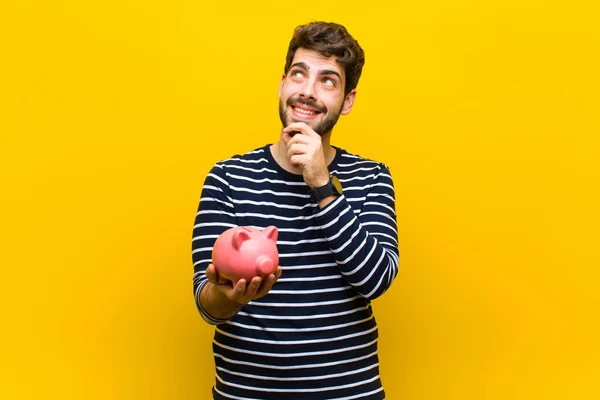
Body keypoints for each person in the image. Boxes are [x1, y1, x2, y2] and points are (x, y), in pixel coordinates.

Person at [192, 21, 399, 399]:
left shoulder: (372, 177)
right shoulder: (226, 178)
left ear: (347, 100)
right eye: (299, 74)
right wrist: (230, 297)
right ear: (282, 83)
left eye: (327, 81)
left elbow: (377, 279)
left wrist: (322, 183)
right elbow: (207, 304)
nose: (307, 92)